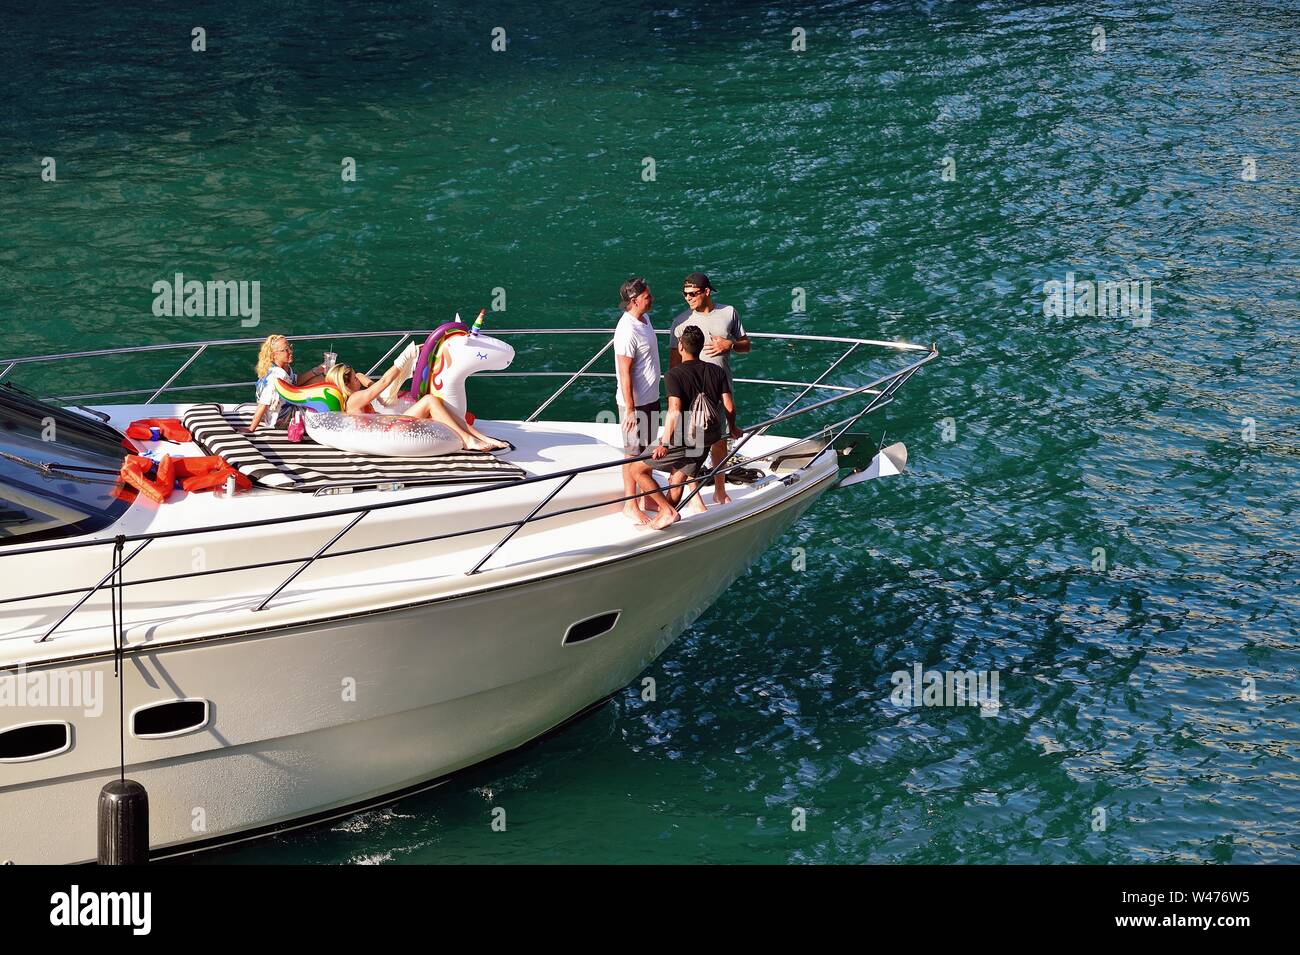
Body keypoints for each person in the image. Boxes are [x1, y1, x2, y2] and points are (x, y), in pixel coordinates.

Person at [668, 273, 750, 503]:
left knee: (719, 441)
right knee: (689, 443)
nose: (688, 298)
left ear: (706, 292)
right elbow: (674, 365)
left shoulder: (728, 313)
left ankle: (720, 491)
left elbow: (747, 346)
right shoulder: (680, 323)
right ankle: (694, 498)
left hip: (719, 389)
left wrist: (730, 344)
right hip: (690, 393)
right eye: (684, 294)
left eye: (692, 294)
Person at [652, 325, 741, 514]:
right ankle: (672, 511)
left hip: (686, 438)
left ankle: (666, 511)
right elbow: (729, 405)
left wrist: (665, 443)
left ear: (681, 347)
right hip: (710, 434)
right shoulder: (717, 371)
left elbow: (674, 411)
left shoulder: (673, 375)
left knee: (636, 469)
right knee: (678, 478)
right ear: (701, 347)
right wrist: (732, 428)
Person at [324, 363, 509, 452]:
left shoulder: (356, 398)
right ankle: (469, 441)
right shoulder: (354, 399)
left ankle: (480, 437)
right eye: (354, 379)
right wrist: (405, 358)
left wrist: (361, 376)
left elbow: (370, 385)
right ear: (347, 384)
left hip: (391, 425)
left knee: (440, 408)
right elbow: (385, 381)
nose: (358, 379)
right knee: (430, 400)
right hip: (392, 430)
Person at [613, 277, 668, 526]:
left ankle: (647, 497)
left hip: (651, 397)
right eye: (647, 296)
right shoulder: (626, 330)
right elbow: (624, 372)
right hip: (634, 404)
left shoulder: (645, 319)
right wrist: (630, 409)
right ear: (634, 301)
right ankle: (630, 504)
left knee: (646, 451)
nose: (652, 298)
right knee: (632, 453)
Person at [247, 335, 326, 432]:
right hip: (281, 419)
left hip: (286, 407)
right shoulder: (275, 377)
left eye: (290, 347)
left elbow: (295, 382)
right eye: (285, 350)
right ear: (273, 355)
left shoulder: (285, 368)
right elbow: (263, 404)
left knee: (319, 379)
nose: (290, 352)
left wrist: (316, 371)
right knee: (321, 410)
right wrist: (251, 429)